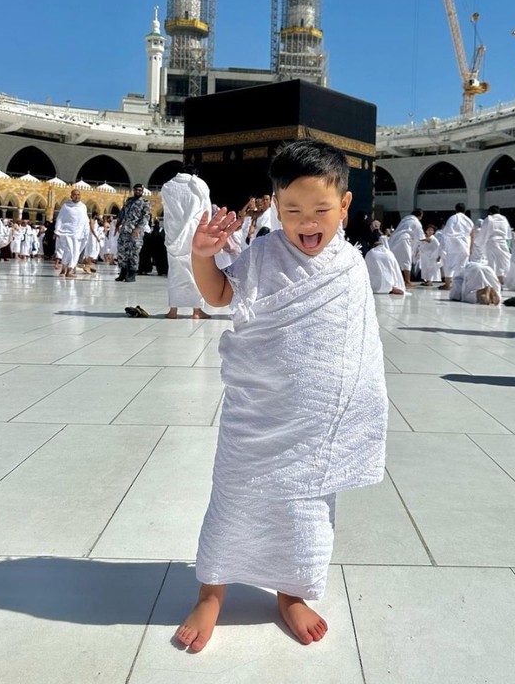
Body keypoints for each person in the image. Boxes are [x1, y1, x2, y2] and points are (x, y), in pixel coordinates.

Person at [175, 139, 388, 652]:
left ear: (345, 205)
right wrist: (202, 256)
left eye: (320, 210)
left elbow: (358, 347)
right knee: (234, 498)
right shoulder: (265, 253)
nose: (306, 223)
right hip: (259, 413)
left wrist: (354, 405)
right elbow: (219, 294)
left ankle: (292, 593)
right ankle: (211, 591)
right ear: (275, 206)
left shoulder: (350, 265)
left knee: (305, 512)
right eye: (292, 211)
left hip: (317, 424)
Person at [161, 165, 212, 319]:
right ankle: (197, 311)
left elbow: (167, 211)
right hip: (194, 232)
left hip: (174, 234)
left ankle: (173, 310)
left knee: (175, 271)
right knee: (196, 271)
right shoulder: (199, 184)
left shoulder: (167, 186)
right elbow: (206, 210)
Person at [115, 184, 151, 282]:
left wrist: (138, 228)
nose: (138, 192)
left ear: (142, 191)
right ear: (134, 190)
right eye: (136, 190)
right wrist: (118, 223)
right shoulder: (129, 201)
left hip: (135, 231)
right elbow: (122, 212)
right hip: (125, 230)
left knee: (134, 252)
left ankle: (132, 273)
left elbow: (145, 217)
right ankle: (123, 272)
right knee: (122, 251)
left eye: (140, 190)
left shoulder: (145, 202)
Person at [54, 189, 90, 277]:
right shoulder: (66, 206)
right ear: (71, 196)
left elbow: (85, 220)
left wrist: (86, 231)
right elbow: (60, 218)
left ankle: (69, 270)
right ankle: (64, 269)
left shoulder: (83, 207)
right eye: (74, 195)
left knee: (75, 251)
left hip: (78, 233)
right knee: (68, 250)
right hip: (66, 231)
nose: (76, 196)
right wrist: (57, 230)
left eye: (78, 195)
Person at [439, 202, 475, 290]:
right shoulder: (469, 221)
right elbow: (472, 235)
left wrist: (443, 246)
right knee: (462, 266)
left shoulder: (453, 218)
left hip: (454, 245)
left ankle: (447, 285)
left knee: (450, 265)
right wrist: (471, 248)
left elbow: (446, 232)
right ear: (465, 210)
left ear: (455, 210)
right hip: (465, 245)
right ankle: (461, 285)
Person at [388, 209, 425, 288]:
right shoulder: (416, 222)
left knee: (395, 260)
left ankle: (393, 280)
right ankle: (407, 281)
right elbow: (420, 237)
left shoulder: (404, 220)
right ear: (420, 215)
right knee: (407, 260)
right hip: (404, 240)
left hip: (394, 240)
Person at [365, 229, 405, 294]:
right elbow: (396, 270)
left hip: (373, 285)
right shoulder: (389, 253)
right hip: (389, 283)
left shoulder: (370, 253)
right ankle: (390, 287)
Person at [480, 205, 512, 284]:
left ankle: (493, 282)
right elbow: (508, 233)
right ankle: (501, 281)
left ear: (490, 212)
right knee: (502, 263)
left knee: (491, 263)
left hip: (492, 242)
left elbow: (483, 232)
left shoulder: (489, 219)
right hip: (503, 242)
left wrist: (480, 242)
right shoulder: (504, 219)